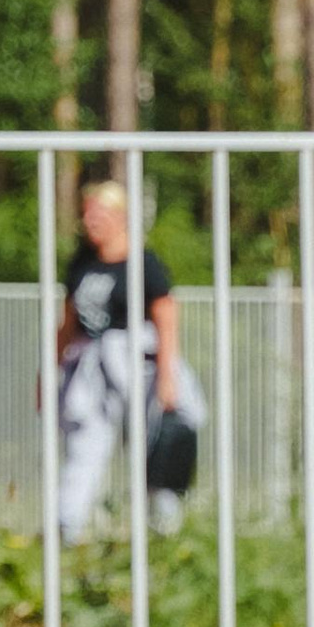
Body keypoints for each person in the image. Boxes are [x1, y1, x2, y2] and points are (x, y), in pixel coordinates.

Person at [55, 174, 188, 543]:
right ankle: (67, 525)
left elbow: (166, 319)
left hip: (137, 362)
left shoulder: (144, 263)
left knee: (150, 441)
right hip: (91, 369)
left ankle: (163, 528)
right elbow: (68, 323)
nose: (89, 222)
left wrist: (167, 376)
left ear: (119, 216)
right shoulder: (82, 263)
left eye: (97, 213)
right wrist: (50, 367)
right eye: (86, 215)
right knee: (86, 441)